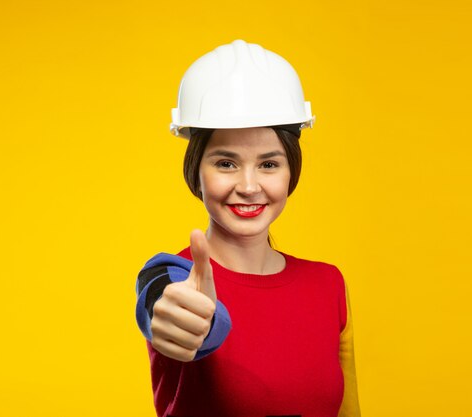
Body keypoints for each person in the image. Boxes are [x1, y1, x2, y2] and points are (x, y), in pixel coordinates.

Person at [135, 39, 361, 417]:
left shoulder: (329, 284)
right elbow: (164, 304)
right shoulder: (173, 276)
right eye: (226, 163)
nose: (249, 185)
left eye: (269, 164)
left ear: (291, 172)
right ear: (196, 172)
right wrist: (190, 320)